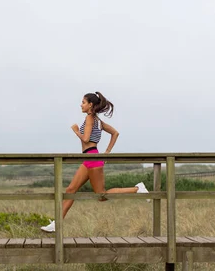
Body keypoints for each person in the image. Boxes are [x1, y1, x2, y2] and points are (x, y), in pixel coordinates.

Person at [41, 91, 149, 233]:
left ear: (90, 105)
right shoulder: (98, 121)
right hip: (89, 158)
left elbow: (86, 139)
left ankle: (137, 189)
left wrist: (75, 131)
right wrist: (107, 153)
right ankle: (57, 223)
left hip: (92, 158)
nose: (81, 105)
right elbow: (115, 133)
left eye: (83, 102)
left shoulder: (90, 118)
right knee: (70, 190)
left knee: (101, 195)